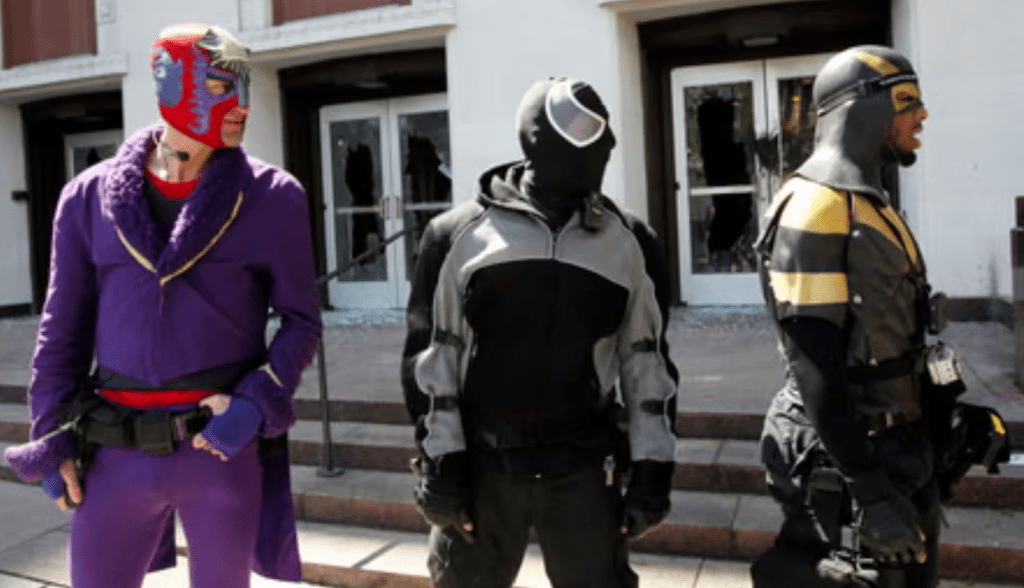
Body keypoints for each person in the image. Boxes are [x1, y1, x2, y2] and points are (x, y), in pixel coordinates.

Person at [3, 23, 322, 588]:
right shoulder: (87, 198)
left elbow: (301, 321)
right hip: (112, 454)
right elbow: (61, 331)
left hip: (218, 450)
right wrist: (51, 432)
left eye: (244, 85)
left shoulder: (274, 196)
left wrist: (256, 401)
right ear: (173, 83)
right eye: (225, 84)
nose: (241, 103)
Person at [401, 77, 679, 587]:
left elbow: (647, 365)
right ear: (538, 135)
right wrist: (441, 466)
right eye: (582, 128)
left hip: (582, 469)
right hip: (484, 470)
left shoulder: (630, 241)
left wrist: (652, 469)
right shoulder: (456, 236)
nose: (604, 145)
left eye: (604, 131)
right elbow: (431, 360)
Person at [750, 45, 951, 587]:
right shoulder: (816, 207)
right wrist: (868, 487)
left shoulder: (872, 202)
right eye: (906, 100)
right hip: (848, 457)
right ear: (859, 108)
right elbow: (813, 362)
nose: (922, 115)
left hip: (896, 444)